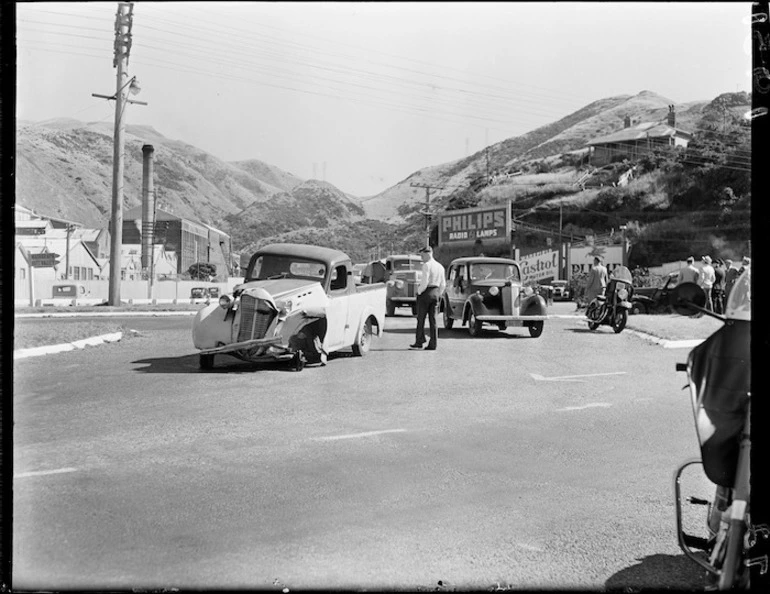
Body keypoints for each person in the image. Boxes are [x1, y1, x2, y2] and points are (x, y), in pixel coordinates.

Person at [410, 245, 446, 351]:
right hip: (436, 293)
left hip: (426, 292)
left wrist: (419, 291)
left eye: (422, 255)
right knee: (433, 320)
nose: (421, 258)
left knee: (421, 318)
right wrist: (439, 293)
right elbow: (443, 284)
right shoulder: (440, 266)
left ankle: (419, 341)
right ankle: (433, 343)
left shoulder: (426, 265)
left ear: (427, 254)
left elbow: (424, 281)